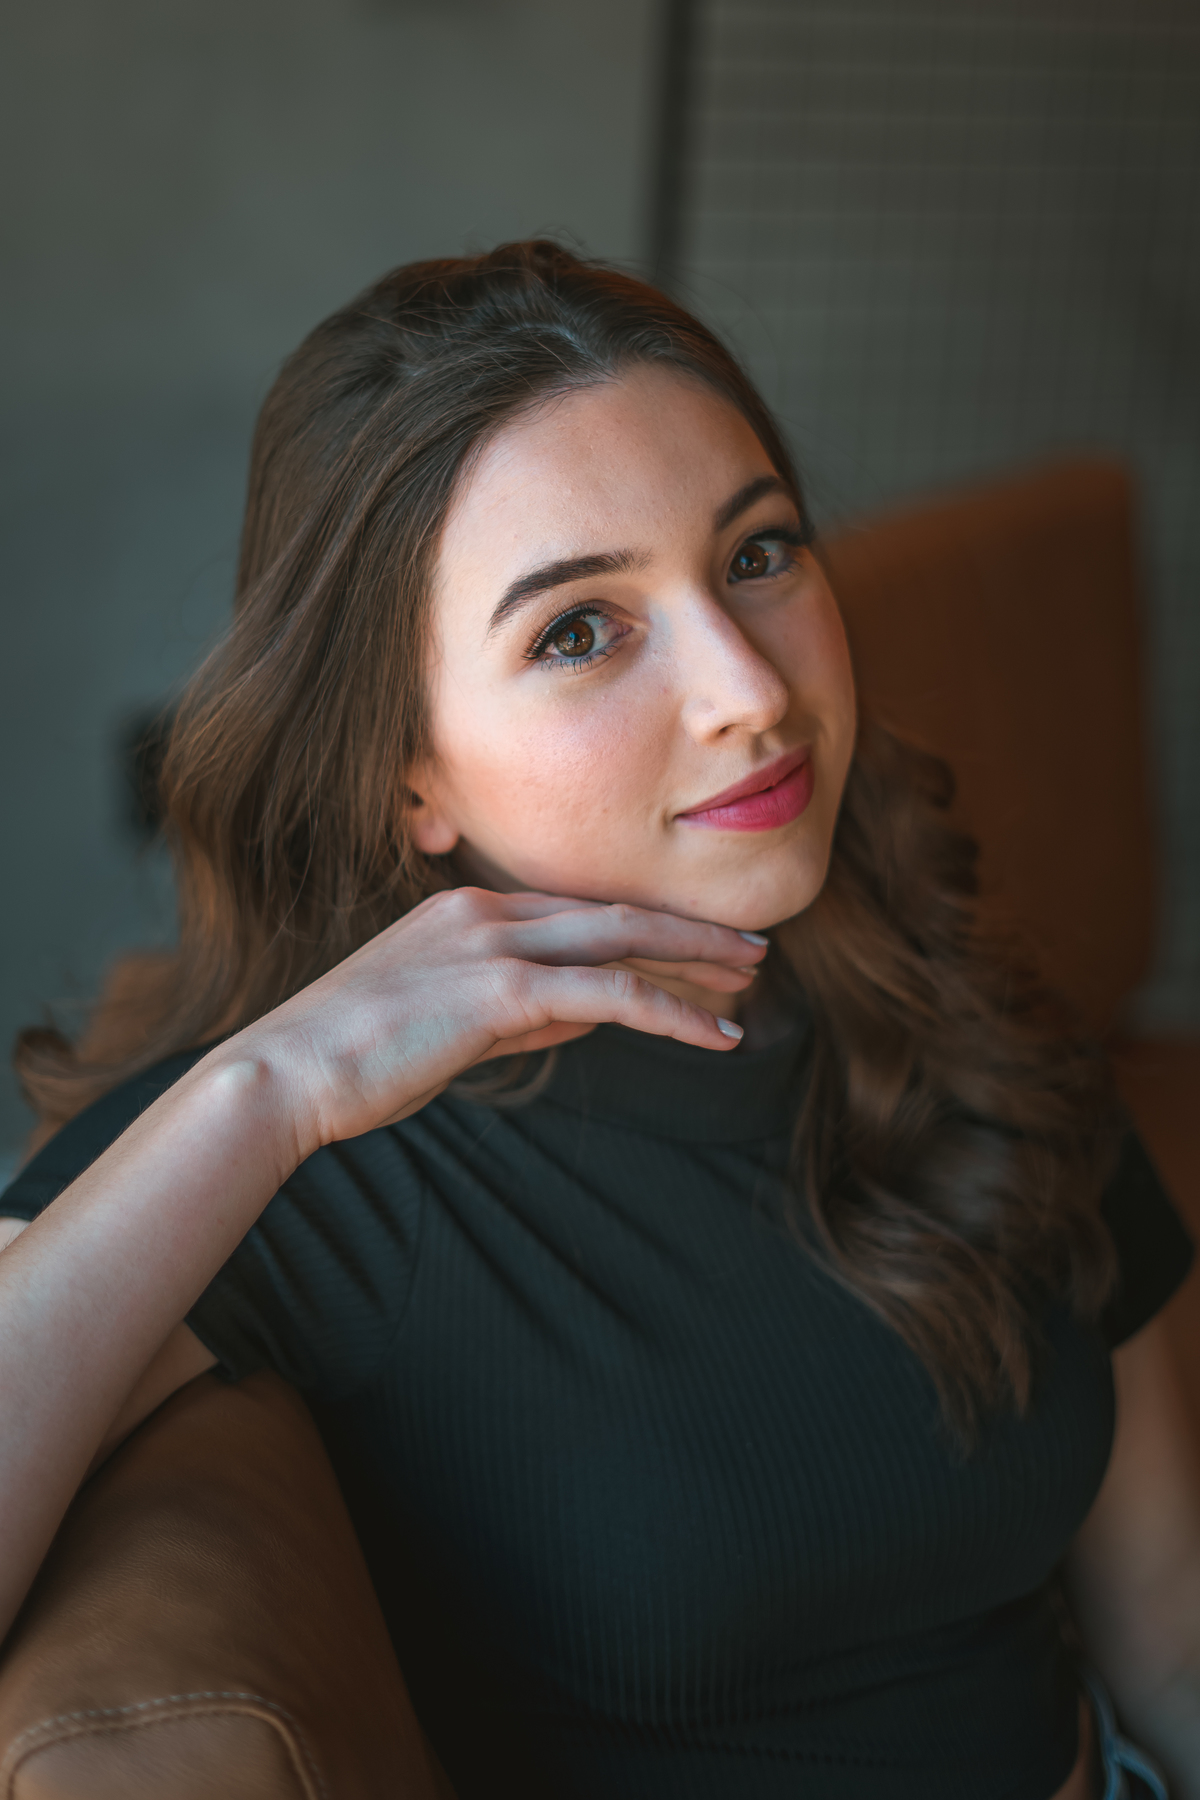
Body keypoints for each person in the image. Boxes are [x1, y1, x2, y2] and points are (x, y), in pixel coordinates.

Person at [1, 241, 1198, 1800]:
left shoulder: (957, 1002)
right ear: (405, 776)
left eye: (759, 553)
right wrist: (275, 1086)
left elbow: (1170, 1640)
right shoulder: (310, 1158)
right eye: (579, 629)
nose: (748, 691)